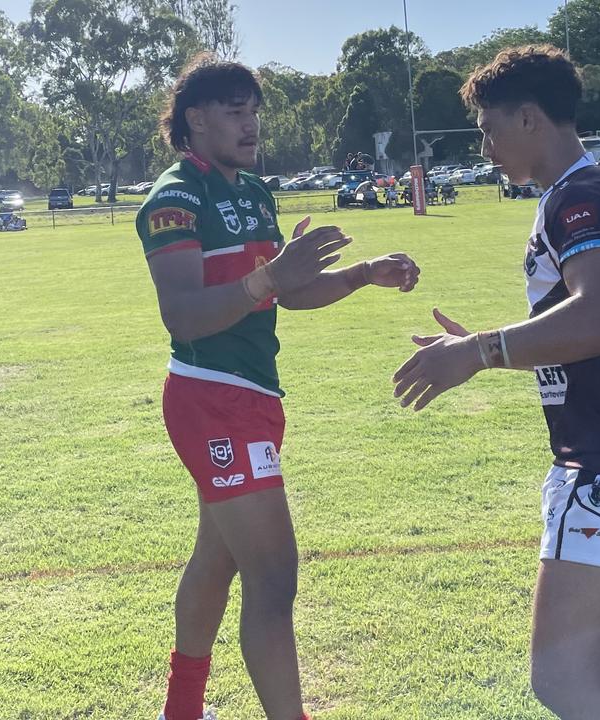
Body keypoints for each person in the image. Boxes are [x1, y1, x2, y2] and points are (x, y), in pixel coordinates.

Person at [392, 44, 600, 720]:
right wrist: (481, 345)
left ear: (529, 118)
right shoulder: (580, 191)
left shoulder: (579, 197)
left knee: (559, 679)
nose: (486, 144)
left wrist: (479, 351)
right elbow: (590, 327)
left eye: (489, 127)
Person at [137, 54, 419, 720]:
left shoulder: (255, 194)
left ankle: (181, 711)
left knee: (218, 560)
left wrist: (359, 274)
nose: (251, 124)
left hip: (254, 400)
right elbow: (183, 311)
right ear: (196, 120)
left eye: (254, 111)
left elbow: (283, 295)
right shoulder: (175, 198)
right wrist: (270, 277)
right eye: (236, 112)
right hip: (210, 396)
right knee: (274, 574)